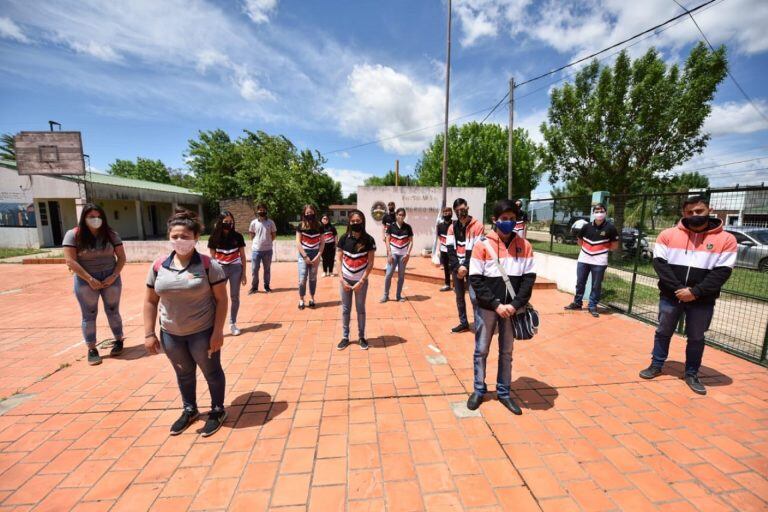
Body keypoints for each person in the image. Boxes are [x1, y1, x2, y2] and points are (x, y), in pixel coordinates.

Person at [639, 195, 737, 395]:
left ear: (709, 210)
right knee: (663, 332)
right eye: (690, 212)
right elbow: (660, 265)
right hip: (670, 296)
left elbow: (722, 272)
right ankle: (656, 364)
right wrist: (679, 290)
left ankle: (692, 373)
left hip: (702, 300)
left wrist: (695, 292)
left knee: (696, 338)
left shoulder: (726, 239)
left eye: (699, 211)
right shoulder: (667, 235)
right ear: (684, 213)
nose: (694, 215)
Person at [144, 209, 229, 437]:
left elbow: (222, 300)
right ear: (169, 237)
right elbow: (151, 301)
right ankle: (189, 410)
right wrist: (149, 333)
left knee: (211, 372)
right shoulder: (159, 266)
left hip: (202, 332)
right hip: (171, 333)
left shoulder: (209, 265)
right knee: (183, 374)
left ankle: (218, 410)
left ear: (195, 238)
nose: (179, 241)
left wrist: (218, 332)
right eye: (175, 236)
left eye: (184, 236)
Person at [467, 199, 536, 414]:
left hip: (512, 310)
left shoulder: (525, 246)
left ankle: (504, 392)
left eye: (512, 219)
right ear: (494, 220)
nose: (509, 222)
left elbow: (529, 279)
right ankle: (479, 389)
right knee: (481, 350)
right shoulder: (482, 245)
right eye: (504, 219)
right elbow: (476, 280)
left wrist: (514, 305)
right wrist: (497, 305)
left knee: (506, 352)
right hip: (488, 309)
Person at [62, 204, 127, 366]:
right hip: (85, 281)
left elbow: (121, 257)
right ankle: (92, 348)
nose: (95, 220)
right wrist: (89, 278)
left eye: (99, 216)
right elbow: (70, 260)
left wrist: (113, 276)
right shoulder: (73, 235)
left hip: (110, 279)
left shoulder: (111, 235)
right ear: (84, 218)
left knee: (112, 310)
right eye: (91, 216)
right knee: (89, 314)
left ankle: (119, 340)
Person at [563, 203, 620, 317]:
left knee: (596, 285)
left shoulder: (610, 228)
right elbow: (579, 241)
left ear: (605, 213)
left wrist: (601, 249)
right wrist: (588, 249)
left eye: (601, 211)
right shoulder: (586, 226)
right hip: (584, 259)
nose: (599, 213)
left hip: (600, 261)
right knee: (580, 282)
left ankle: (592, 305)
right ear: (593, 213)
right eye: (597, 211)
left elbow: (615, 245)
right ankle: (577, 303)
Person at [336, 210, 377, 350]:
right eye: (353, 221)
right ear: (349, 222)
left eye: (358, 221)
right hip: (345, 281)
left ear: (363, 222)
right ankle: (345, 337)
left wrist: (362, 281)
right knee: (345, 310)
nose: (355, 223)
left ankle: (361, 337)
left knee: (360, 310)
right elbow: (339, 260)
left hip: (361, 282)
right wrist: (342, 280)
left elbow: (370, 263)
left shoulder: (369, 240)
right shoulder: (343, 239)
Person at [446, 198, 486, 333]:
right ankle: (463, 323)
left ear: (467, 208)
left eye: (462, 209)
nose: (460, 212)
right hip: (457, 268)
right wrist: (458, 267)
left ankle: (479, 324)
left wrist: (465, 267)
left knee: (474, 297)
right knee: (459, 297)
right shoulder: (452, 227)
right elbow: (450, 250)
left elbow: (477, 249)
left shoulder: (478, 226)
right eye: (457, 211)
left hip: (473, 267)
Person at [208, 211, 247, 336]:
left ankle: (233, 323)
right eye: (226, 222)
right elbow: (212, 259)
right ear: (220, 222)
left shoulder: (238, 236)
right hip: (220, 270)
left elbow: (243, 256)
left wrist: (244, 273)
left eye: (231, 222)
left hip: (236, 268)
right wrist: (213, 276)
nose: (229, 224)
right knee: (217, 298)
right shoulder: (214, 238)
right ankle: (214, 326)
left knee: (234, 297)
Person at [381, 207, 414, 302]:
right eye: (399, 215)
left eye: (403, 215)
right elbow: (387, 240)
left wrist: (408, 254)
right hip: (393, 254)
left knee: (401, 276)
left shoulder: (408, 227)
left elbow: (411, 242)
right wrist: (389, 253)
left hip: (403, 255)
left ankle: (398, 296)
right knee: (388, 274)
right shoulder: (391, 227)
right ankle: (385, 295)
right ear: (396, 215)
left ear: (405, 216)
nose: (401, 217)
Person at [296, 204, 325, 310]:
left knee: (313, 278)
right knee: (302, 278)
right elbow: (298, 243)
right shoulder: (301, 225)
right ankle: (301, 299)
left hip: (315, 255)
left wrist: (318, 256)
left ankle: (312, 298)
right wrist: (305, 257)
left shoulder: (319, 225)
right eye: (307, 213)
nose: (309, 214)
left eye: (311, 212)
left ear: (314, 213)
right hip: (303, 254)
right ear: (304, 214)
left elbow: (322, 243)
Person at [248, 203, 276, 294]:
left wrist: (267, 242)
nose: (262, 211)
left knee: (267, 269)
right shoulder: (253, 223)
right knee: (254, 269)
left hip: (268, 250)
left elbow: (273, 235)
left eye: (263, 210)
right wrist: (257, 243)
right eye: (260, 210)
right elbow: (251, 235)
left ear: (266, 211)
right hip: (256, 250)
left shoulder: (270, 222)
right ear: (257, 211)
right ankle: (254, 287)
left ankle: (267, 286)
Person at [436, 206, 453, 291]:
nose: (447, 214)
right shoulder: (439, 226)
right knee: (446, 267)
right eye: (445, 213)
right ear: (443, 214)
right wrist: (438, 249)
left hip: (453, 251)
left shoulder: (455, 224)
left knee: (454, 267)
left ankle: (456, 285)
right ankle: (447, 284)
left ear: (452, 214)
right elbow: (439, 238)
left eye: (449, 213)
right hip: (443, 250)